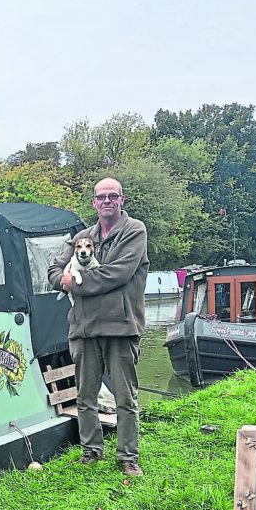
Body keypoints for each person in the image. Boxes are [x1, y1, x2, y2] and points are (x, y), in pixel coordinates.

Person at [48, 177, 149, 476]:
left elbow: (118, 274)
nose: (106, 201)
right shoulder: (82, 235)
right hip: (83, 328)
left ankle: (128, 456)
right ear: (94, 202)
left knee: (125, 397)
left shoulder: (134, 231)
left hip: (121, 326)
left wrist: (76, 284)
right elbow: (55, 268)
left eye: (112, 196)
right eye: (101, 197)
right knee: (85, 395)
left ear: (121, 200)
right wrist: (62, 280)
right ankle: (91, 450)